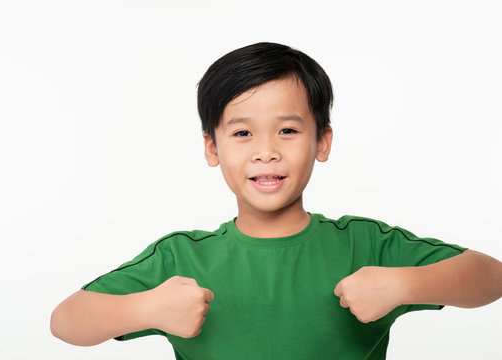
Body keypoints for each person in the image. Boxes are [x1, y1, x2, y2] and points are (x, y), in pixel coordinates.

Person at [50, 42, 502, 359]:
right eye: (242, 133)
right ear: (212, 148)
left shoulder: (366, 247)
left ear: (322, 142)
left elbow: (491, 277)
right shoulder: (181, 259)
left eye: (288, 130)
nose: (266, 151)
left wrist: (406, 285)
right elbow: (67, 321)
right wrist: (144, 308)